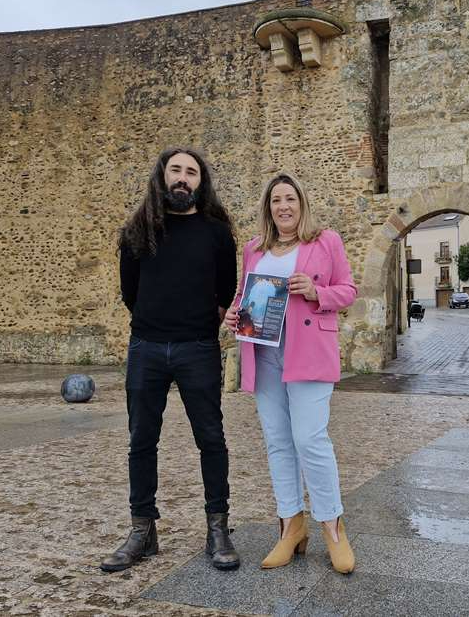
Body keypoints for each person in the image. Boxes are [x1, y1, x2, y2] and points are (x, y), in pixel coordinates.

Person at [100, 147, 240, 573]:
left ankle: (218, 527)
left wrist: (196, 323)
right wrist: (155, 322)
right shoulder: (137, 230)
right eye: (175, 170)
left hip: (197, 348)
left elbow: (226, 289)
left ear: (202, 181)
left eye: (191, 172)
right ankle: (142, 529)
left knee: (211, 439)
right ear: (161, 177)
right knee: (141, 440)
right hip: (146, 348)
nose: (183, 178)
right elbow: (130, 292)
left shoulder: (217, 232)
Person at [223, 173, 357, 574]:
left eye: (290, 199)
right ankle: (290, 526)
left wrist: (318, 293)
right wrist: (233, 313)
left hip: (309, 351)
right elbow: (243, 295)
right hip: (263, 352)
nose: (283, 206)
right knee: (278, 441)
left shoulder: (325, 241)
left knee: (310, 438)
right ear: (268, 208)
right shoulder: (253, 249)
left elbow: (348, 290)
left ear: (301, 204)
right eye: (276, 200)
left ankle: (333, 527)